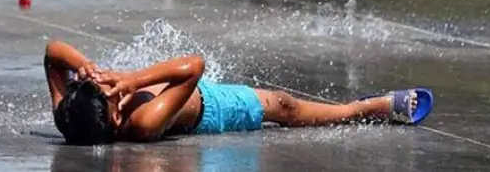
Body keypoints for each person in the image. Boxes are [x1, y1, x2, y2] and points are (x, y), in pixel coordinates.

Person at [44, 40, 434, 145]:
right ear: (115, 119)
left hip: (182, 89)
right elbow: (194, 67)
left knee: (283, 103)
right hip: (212, 109)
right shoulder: (142, 123)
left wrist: (86, 67)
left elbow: (52, 53)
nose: (113, 87)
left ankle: (359, 107)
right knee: (284, 106)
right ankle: (363, 109)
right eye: (112, 95)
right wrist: (131, 81)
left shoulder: (70, 116)